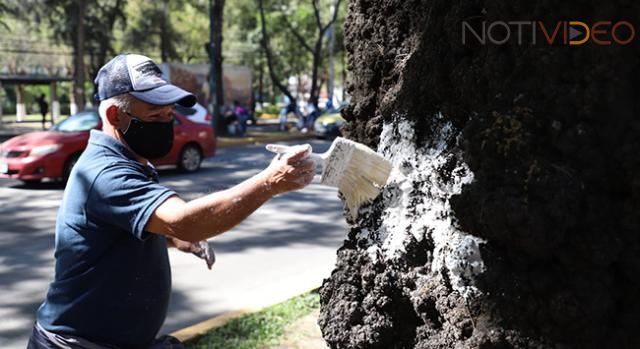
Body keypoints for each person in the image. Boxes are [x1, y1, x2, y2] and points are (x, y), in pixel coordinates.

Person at [28, 54, 316, 349]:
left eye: (169, 115)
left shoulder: (131, 160)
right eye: (155, 116)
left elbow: (118, 234)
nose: (168, 124)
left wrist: (169, 238)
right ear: (115, 116)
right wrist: (269, 182)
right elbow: (185, 221)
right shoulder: (105, 172)